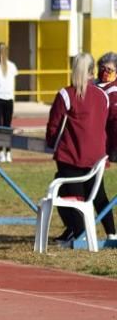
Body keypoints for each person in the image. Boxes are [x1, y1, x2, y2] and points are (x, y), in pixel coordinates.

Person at [45, 53, 116, 243]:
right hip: (97, 158)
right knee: (98, 194)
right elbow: (107, 123)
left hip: (72, 156)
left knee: (66, 193)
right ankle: (111, 232)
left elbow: (53, 126)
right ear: (92, 71)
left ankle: (79, 234)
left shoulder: (66, 94)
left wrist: (51, 143)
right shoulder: (103, 96)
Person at [95, 52, 117, 164]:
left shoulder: (114, 90)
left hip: (109, 141)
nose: (105, 72)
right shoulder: (94, 84)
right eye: (102, 68)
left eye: (109, 69)